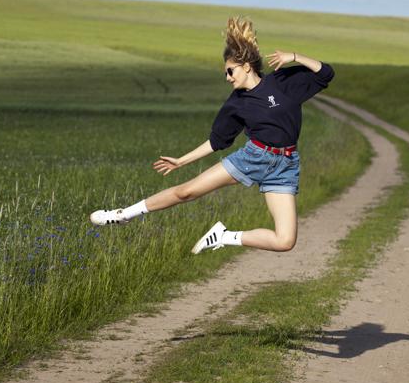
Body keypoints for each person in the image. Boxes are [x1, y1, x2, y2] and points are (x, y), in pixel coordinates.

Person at [90, 17, 335, 254]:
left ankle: (224, 236)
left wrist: (294, 57)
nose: (227, 78)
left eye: (230, 71)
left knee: (285, 241)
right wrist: (182, 160)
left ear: (247, 66)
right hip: (254, 157)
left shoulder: (281, 83)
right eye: (225, 74)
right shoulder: (236, 103)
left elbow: (325, 74)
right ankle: (122, 215)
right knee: (186, 192)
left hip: (286, 165)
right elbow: (217, 141)